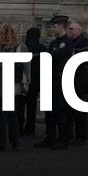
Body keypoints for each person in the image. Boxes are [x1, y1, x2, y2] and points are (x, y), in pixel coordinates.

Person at [0, 22, 29, 152]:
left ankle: (1, 143)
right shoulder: (22, 47)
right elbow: (27, 67)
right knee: (13, 116)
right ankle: (15, 142)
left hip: (0, 85)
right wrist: (26, 82)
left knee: (0, 116)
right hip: (15, 86)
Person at [36, 15, 74, 150]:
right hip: (50, 80)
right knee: (49, 112)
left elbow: (54, 57)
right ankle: (50, 137)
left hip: (60, 81)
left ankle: (63, 139)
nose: (53, 28)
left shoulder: (67, 43)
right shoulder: (54, 43)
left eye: (54, 26)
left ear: (60, 26)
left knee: (61, 111)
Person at [68, 21, 88, 145]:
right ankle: (76, 135)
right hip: (79, 82)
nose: (69, 31)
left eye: (72, 29)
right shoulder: (76, 43)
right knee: (76, 112)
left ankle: (81, 136)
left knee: (81, 113)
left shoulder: (82, 43)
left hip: (83, 83)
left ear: (78, 31)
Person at [21, 26, 45, 136]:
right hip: (36, 80)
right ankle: (30, 128)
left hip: (24, 80)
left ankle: (19, 127)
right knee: (32, 106)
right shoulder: (42, 48)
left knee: (20, 106)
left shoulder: (24, 47)